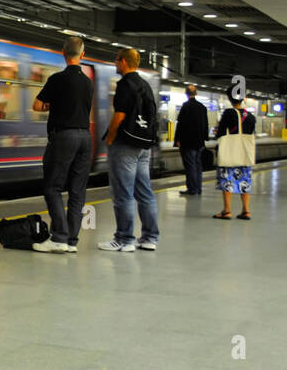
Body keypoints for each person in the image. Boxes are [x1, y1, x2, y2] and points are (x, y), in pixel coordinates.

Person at [30, 36, 93, 253]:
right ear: (82, 55)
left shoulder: (57, 79)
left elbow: (37, 105)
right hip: (85, 137)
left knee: (53, 187)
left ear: (63, 53)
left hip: (64, 137)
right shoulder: (88, 82)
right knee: (77, 191)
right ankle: (71, 241)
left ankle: (59, 237)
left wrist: (53, 105)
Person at [99, 48, 159, 252]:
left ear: (124, 62)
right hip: (143, 146)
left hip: (125, 145)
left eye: (117, 61)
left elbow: (119, 115)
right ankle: (150, 238)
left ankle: (125, 239)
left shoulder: (125, 84)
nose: (115, 64)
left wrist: (110, 138)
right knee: (145, 193)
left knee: (123, 194)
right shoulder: (145, 85)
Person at [212, 89, 256, 221]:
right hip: (245, 152)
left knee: (227, 179)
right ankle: (246, 211)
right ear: (242, 99)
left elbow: (220, 133)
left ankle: (227, 211)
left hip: (230, 151)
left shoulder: (228, 113)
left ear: (230, 99)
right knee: (244, 180)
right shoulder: (251, 116)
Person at [173, 85, 209, 196]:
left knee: (190, 166)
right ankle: (198, 188)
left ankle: (192, 189)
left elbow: (181, 124)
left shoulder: (186, 106)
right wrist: (205, 138)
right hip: (199, 142)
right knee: (198, 165)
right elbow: (205, 124)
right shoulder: (202, 107)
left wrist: (177, 139)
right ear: (196, 93)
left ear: (186, 93)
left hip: (187, 142)